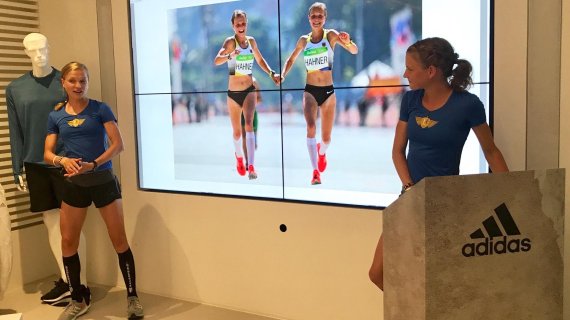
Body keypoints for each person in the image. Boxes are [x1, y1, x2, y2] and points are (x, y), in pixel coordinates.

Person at [368, 37, 509, 291]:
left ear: (431, 71)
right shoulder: (410, 101)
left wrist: (512, 194)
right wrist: (410, 188)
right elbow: (398, 152)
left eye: (410, 69)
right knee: (377, 273)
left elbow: (491, 152)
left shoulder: (468, 105)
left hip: (446, 203)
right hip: (410, 198)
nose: (404, 73)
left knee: (439, 283)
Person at [43, 62, 144, 320]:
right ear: (63, 82)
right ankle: (77, 299)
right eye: (73, 81)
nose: (78, 86)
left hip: (102, 181)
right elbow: (47, 153)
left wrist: (94, 164)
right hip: (74, 185)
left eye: (83, 81)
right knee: (68, 242)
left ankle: (132, 298)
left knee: (119, 240)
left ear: (87, 83)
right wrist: (62, 161)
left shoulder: (100, 109)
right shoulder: (55, 116)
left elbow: (118, 144)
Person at [5, 33, 88, 306]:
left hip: (66, 161)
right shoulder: (16, 88)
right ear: (25, 53)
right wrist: (17, 166)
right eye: (32, 50)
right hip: (35, 163)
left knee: (71, 226)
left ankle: (80, 285)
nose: (39, 54)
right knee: (51, 223)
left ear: (49, 48)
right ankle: (67, 281)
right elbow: (15, 130)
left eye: (42, 48)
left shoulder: (64, 82)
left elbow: (82, 118)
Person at [281, 2, 358, 185]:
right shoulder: (303, 40)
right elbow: (291, 59)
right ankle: (315, 172)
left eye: (320, 16)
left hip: (329, 92)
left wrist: (347, 41)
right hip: (310, 91)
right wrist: (283, 74)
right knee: (310, 127)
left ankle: (321, 152)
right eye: (313, 16)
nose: (316, 19)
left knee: (326, 138)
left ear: (325, 18)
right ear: (309, 18)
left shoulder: (331, 35)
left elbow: (354, 51)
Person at [214, 9, 280, 180]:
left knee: (249, 124)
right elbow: (217, 60)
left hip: (249, 90)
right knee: (237, 133)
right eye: (238, 24)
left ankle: (251, 166)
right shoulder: (230, 42)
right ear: (233, 26)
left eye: (243, 23)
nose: (241, 27)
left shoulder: (251, 42)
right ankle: (239, 158)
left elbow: (259, 60)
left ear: (247, 23)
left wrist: (271, 73)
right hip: (233, 94)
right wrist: (230, 55)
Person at [241, 77, 261, 168]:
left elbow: (259, 98)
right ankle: (247, 161)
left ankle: (250, 161)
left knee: (252, 133)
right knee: (244, 137)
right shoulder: (238, 80)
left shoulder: (254, 81)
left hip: (252, 111)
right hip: (241, 111)